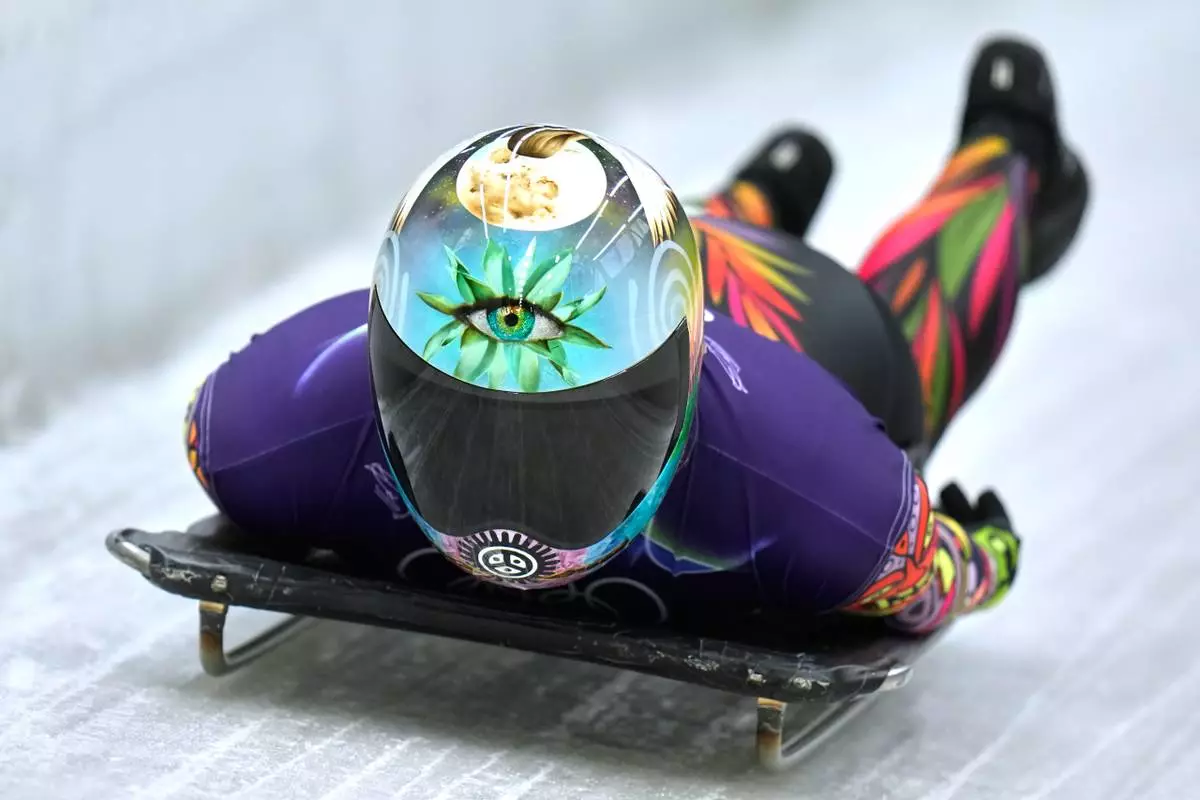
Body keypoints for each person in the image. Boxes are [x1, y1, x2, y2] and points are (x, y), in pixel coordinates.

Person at [182, 37, 1088, 635]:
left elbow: (915, 564)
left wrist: (974, 557)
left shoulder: (823, 484)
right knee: (647, 252)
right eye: (448, 412)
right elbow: (918, 574)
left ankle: (1005, 146)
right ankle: (760, 193)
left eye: (579, 425)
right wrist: (970, 560)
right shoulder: (259, 424)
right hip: (674, 277)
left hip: (799, 325)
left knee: (899, 352)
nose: (513, 486)